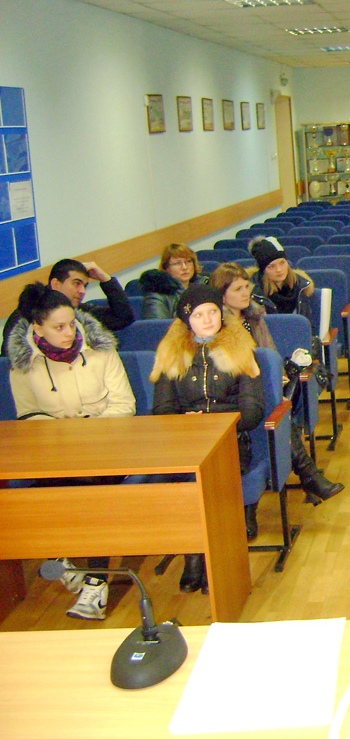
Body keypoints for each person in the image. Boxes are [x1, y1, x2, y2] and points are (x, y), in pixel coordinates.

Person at [6, 283, 136, 620]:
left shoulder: (102, 350)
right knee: (39, 495)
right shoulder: (23, 363)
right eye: (59, 327)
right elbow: (27, 415)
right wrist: (59, 428)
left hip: (107, 444)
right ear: (38, 329)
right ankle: (62, 559)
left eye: (71, 324)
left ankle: (96, 583)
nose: (69, 333)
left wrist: (88, 426)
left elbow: (125, 405)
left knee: (93, 492)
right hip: (55, 450)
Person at [210, 263, 343, 539]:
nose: (246, 292)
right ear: (222, 295)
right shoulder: (218, 326)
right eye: (237, 289)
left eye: (247, 286)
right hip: (235, 396)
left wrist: (278, 380)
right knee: (274, 417)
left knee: (277, 412)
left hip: (263, 389)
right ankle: (308, 477)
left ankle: (259, 507)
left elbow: (269, 355)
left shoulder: (255, 316)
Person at [150, 285, 263, 593]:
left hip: (229, 441)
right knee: (182, 480)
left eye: (213, 312)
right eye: (199, 315)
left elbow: (252, 411)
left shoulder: (241, 350)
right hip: (185, 445)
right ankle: (195, 554)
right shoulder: (171, 354)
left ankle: (210, 558)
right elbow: (161, 409)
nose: (208, 319)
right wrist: (185, 424)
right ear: (187, 321)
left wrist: (213, 423)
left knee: (207, 480)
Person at [1, 258, 134, 357]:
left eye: (84, 286)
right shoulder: (24, 316)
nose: (82, 291)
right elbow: (12, 361)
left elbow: (123, 318)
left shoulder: (83, 313)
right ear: (56, 284)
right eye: (76, 283)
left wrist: (105, 279)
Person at [248, 237, 315, 323]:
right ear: (263, 271)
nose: (279, 270)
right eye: (271, 266)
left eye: (282, 263)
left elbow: (310, 323)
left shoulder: (301, 286)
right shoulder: (254, 293)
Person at [139, 243, 208, 319]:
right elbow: (159, 325)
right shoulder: (156, 297)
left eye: (188, 261)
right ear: (166, 268)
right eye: (177, 263)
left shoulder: (205, 285)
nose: (184, 267)